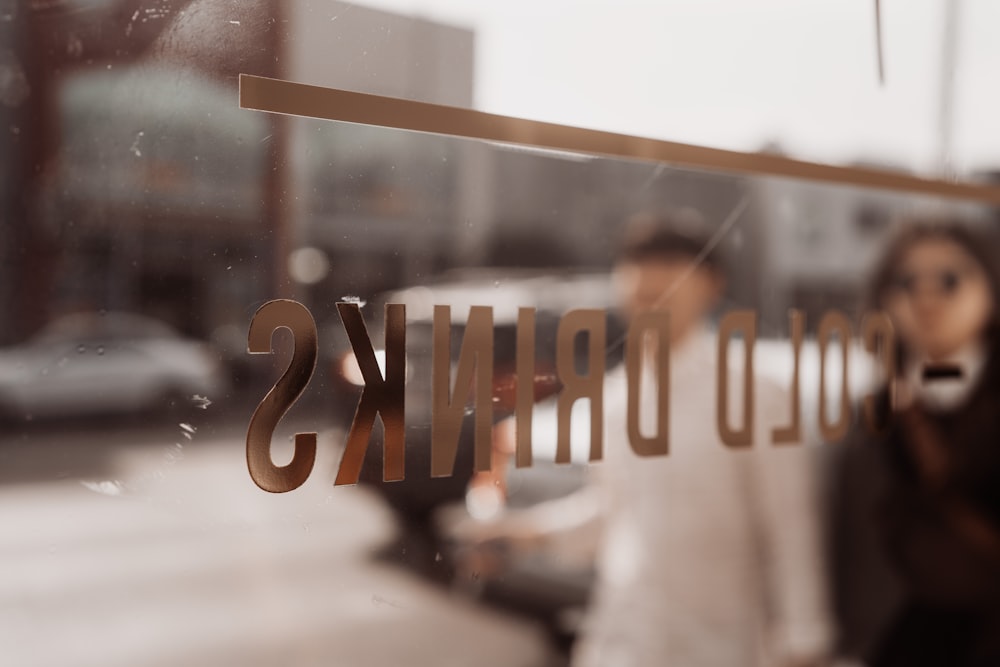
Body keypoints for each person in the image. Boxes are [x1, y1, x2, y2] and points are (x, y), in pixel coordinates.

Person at [451, 211, 833, 667]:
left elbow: (790, 533)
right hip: (619, 645)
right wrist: (517, 535)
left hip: (719, 652)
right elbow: (612, 516)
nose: (650, 281)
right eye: (637, 266)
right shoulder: (617, 397)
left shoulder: (755, 394)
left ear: (712, 285)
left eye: (672, 267)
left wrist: (804, 643)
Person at [832, 220, 1000, 666]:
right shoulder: (871, 409)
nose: (926, 296)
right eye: (907, 281)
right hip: (895, 643)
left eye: (950, 279)